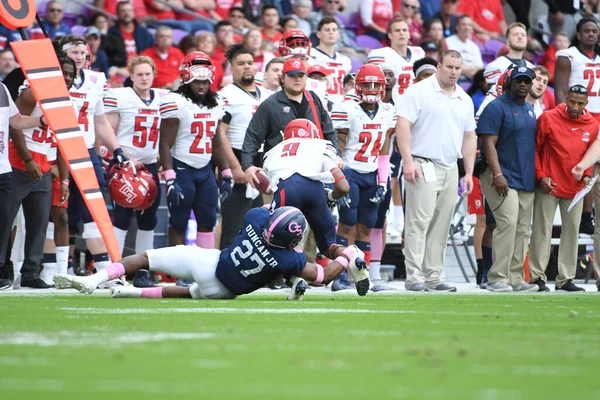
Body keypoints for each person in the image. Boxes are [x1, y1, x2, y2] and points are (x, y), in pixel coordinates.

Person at [54, 206, 371, 298]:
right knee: (189, 294)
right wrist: (347, 253)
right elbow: (324, 276)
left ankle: (97, 279)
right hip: (221, 289)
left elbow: (264, 208)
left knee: (146, 258)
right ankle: (127, 295)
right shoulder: (289, 257)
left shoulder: (256, 218)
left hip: (210, 259)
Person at [396, 50, 477, 292]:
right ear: (439, 66)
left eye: (457, 68)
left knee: (442, 224)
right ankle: (414, 276)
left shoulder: (464, 98)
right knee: (418, 222)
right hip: (422, 162)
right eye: (449, 67)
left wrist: (468, 172)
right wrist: (408, 161)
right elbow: (402, 125)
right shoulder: (418, 91)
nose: (453, 72)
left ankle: (434, 275)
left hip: (450, 166)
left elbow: (470, 137)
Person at [60, 35, 129, 280]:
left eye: (82, 52)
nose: (79, 57)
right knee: (59, 210)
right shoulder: (52, 79)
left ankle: (102, 270)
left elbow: (99, 120)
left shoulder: (96, 79)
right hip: (58, 150)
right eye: (73, 52)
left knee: (94, 208)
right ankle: (57, 267)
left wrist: (116, 148)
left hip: (88, 150)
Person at [0, 76, 71, 290]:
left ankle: (30, 273)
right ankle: (4, 270)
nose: (67, 77)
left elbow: (17, 121)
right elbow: (16, 129)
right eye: (63, 72)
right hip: (17, 164)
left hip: (32, 166)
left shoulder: (2, 89)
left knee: (39, 223)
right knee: (5, 222)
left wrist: (41, 121)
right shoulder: (30, 93)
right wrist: (28, 159)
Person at [159, 52, 233, 250]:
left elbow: (216, 141)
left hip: (205, 169)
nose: (201, 86)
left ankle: (204, 269)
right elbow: (164, 143)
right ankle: (180, 272)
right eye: (197, 81)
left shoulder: (216, 102)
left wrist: (225, 172)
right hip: (182, 167)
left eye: (205, 81)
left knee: (208, 220)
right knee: (179, 222)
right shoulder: (176, 101)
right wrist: (170, 176)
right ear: (186, 79)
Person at [332, 64, 395, 291]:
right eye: (366, 84)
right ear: (357, 86)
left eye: (375, 84)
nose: (370, 88)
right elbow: (337, 149)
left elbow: (384, 150)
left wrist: (381, 181)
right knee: (346, 225)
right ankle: (337, 275)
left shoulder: (388, 111)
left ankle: (361, 276)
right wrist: (339, 180)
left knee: (366, 227)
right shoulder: (346, 108)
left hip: (371, 173)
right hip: (350, 171)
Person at [476, 66, 539, 293]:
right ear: (509, 82)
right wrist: (498, 174)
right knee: (507, 223)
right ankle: (496, 277)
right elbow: (488, 143)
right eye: (519, 81)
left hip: (525, 177)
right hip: (500, 177)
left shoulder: (530, 110)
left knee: (523, 229)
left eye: (527, 81)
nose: (523, 85)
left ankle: (516, 278)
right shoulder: (496, 107)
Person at [528, 85, 597, 293]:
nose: (575, 107)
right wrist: (540, 176)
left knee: (571, 233)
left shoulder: (592, 125)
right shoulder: (548, 118)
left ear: (587, 104)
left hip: (574, 189)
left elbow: (590, 155)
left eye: (580, 103)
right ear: (566, 99)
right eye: (572, 101)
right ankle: (537, 278)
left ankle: (565, 278)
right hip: (549, 185)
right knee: (542, 231)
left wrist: (585, 175)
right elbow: (535, 149)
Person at [241, 57, 340, 187]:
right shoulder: (270, 104)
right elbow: (252, 136)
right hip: (281, 172)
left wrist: (336, 154)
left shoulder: (314, 99)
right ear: (283, 78)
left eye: (300, 75)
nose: (297, 79)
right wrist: (248, 166)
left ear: (306, 77)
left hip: (314, 170)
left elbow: (328, 131)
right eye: (292, 75)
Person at [263, 119, 352, 262]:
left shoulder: (273, 152)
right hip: (314, 190)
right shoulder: (319, 145)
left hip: (286, 190)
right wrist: (329, 197)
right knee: (329, 246)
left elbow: (269, 187)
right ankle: (353, 257)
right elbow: (343, 187)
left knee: (276, 243)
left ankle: (287, 280)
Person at [104, 56, 166, 260]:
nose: (144, 78)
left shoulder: (163, 97)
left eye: (148, 74)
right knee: (121, 218)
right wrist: (119, 155)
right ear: (130, 75)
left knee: (149, 219)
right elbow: (107, 129)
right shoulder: (121, 96)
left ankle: (143, 271)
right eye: (139, 74)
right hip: (124, 164)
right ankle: (114, 269)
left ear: (154, 75)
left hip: (149, 165)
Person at [218, 45, 273, 250]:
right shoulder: (225, 95)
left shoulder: (267, 94)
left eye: (250, 63)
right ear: (231, 68)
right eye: (241, 64)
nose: (247, 67)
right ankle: (226, 271)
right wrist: (234, 166)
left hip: (261, 159)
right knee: (234, 220)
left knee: (260, 220)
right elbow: (220, 133)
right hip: (238, 156)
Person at [555, 18, 600, 236]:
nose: (591, 34)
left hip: (598, 117)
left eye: (595, 31)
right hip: (579, 115)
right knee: (580, 166)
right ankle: (574, 212)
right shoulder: (568, 55)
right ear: (579, 34)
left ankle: (586, 215)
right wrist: (565, 118)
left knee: (593, 169)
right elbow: (561, 91)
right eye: (587, 31)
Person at [367, 18, 425, 104]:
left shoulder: (419, 52)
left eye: (404, 30)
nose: (401, 33)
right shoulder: (380, 55)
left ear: (409, 34)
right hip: (393, 105)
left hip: (417, 103)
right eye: (397, 30)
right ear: (390, 35)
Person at [310, 17, 352, 105]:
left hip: (342, 104)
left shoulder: (345, 60)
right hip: (321, 103)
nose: (331, 32)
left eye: (334, 30)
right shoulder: (310, 55)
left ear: (338, 34)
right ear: (319, 34)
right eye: (327, 30)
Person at [483, 23, 533, 89]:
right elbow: (493, 96)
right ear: (507, 42)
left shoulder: (532, 69)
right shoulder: (495, 66)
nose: (520, 37)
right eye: (515, 34)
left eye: (523, 35)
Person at [106, 2, 154, 67]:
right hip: (118, 70)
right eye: (123, 11)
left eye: (129, 10)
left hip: (141, 69)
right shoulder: (110, 33)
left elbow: (150, 55)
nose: (126, 13)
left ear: (134, 13)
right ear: (117, 14)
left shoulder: (144, 33)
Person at [444, 15, 484, 81]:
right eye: (463, 24)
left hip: (473, 80)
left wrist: (463, 69)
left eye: (469, 25)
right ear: (457, 27)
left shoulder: (474, 46)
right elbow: (449, 65)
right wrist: (470, 69)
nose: (467, 27)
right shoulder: (448, 42)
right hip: (454, 80)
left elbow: (480, 68)